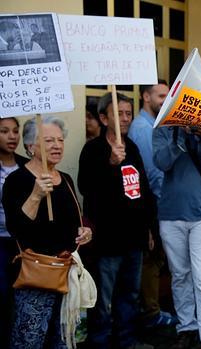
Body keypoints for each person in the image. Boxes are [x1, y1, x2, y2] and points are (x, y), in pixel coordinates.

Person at [4, 116, 92, 348]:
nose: (57, 145)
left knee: (62, 340)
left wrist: (84, 232)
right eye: (48, 140)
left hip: (66, 274)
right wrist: (35, 195)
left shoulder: (66, 179)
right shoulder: (17, 180)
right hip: (36, 277)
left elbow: (75, 222)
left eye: (60, 140)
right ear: (31, 146)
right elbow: (16, 228)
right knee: (30, 340)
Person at [79, 92, 156, 349]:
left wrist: (148, 229)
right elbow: (86, 188)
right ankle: (99, 343)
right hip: (107, 241)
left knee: (130, 296)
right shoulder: (92, 150)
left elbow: (142, 191)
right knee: (102, 300)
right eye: (119, 113)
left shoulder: (132, 147)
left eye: (128, 113)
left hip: (133, 239)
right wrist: (110, 164)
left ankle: (127, 341)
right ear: (103, 118)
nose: (125, 118)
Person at [153, 122, 201, 349]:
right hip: (171, 213)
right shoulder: (163, 127)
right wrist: (179, 138)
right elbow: (161, 162)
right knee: (180, 275)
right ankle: (187, 327)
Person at [128, 80, 179, 328]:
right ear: (146, 97)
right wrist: (161, 203)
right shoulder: (142, 128)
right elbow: (152, 172)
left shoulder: (155, 125)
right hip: (154, 202)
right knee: (151, 260)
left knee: (155, 259)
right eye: (160, 95)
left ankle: (151, 308)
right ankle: (150, 312)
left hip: (159, 201)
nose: (165, 100)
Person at [0, 117, 28, 347]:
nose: (12, 136)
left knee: (20, 296)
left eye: (15, 131)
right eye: (5, 131)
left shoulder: (24, 165)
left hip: (21, 242)